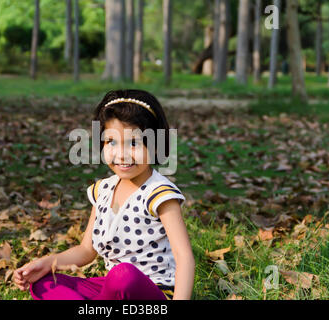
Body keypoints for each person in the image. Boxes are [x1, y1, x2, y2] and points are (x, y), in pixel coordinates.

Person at [14, 89, 196, 300]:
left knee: (123, 275)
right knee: (45, 284)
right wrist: (47, 263)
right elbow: (86, 250)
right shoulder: (103, 190)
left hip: (149, 292)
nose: (121, 154)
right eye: (111, 142)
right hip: (110, 289)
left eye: (134, 143)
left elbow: (184, 258)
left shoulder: (160, 194)